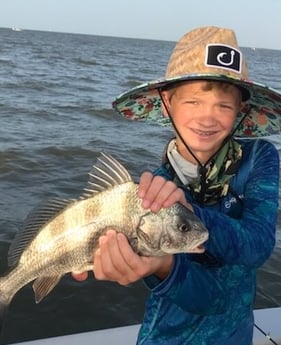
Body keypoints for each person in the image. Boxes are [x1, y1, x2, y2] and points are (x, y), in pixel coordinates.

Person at [73, 26, 281, 344]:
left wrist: (188, 212)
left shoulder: (258, 157)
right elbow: (208, 299)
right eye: (194, 102)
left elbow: (257, 246)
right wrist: (160, 265)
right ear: (168, 103)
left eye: (223, 106)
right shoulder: (153, 193)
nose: (207, 117)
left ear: (240, 109)